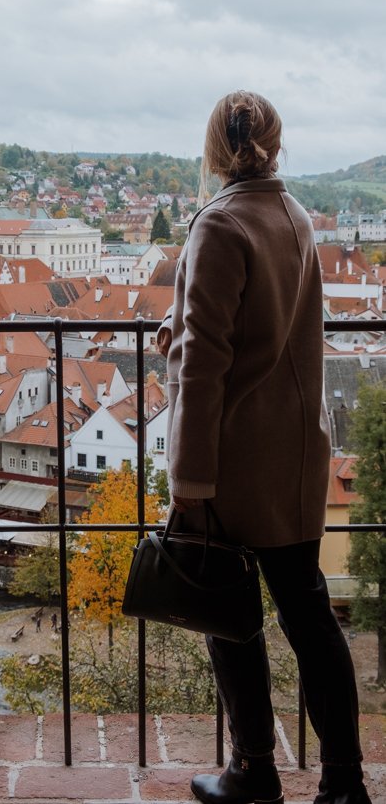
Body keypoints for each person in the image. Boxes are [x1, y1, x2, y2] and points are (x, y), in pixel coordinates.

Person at [158, 92, 370, 804]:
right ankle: (345, 783)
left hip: (233, 463)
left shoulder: (219, 224)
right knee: (310, 619)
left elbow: (206, 366)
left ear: (215, 149)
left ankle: (253, 772)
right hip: (298, 455)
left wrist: (190, 486)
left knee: (231, 623)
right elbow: (272, 322)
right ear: (275, 144)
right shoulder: (297, 216)